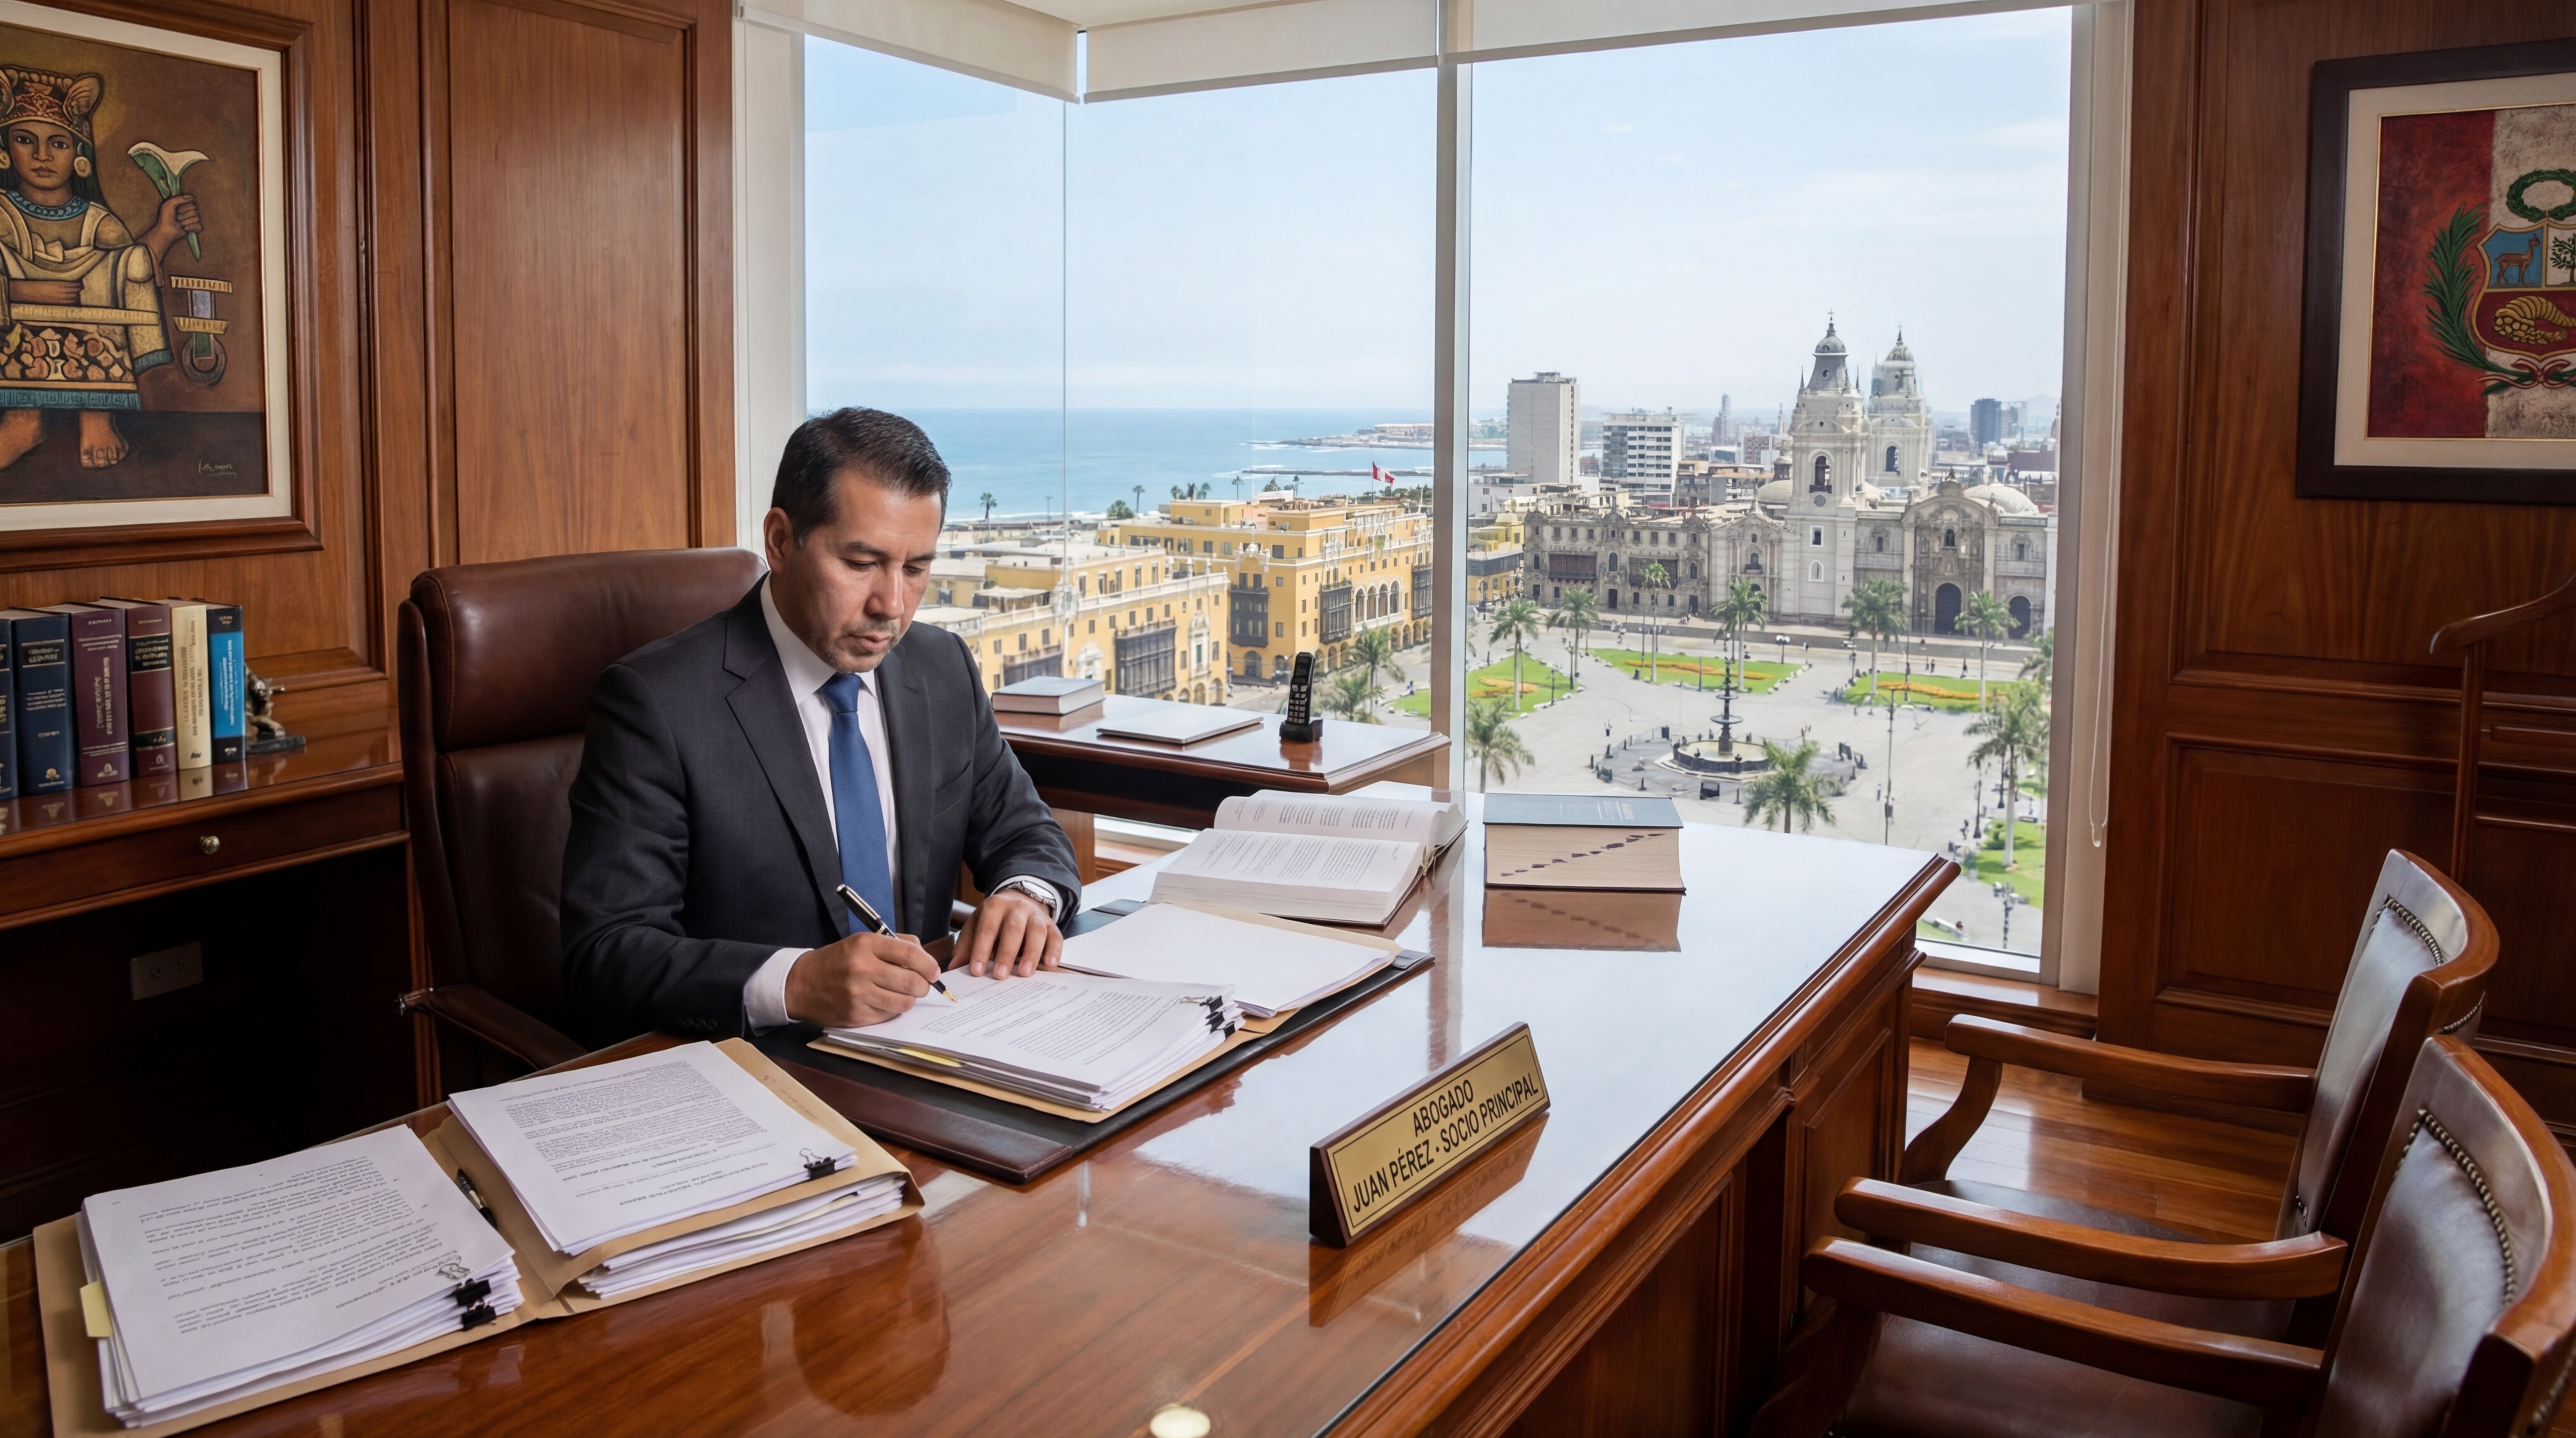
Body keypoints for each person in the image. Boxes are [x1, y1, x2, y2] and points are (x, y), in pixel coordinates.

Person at [561, 409, 1081, 1044]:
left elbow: (1026, 832)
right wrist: (795, 983)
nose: (891, 606)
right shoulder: (656, 703)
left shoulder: (941, 666)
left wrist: (1027, 898)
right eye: (861, 563)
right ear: (781, 541)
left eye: (915, 569)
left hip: (936, 1038)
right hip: (759, 1062)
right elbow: (605, 953)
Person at [0, 67, 199, 470]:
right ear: (4, 150)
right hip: (18, 324)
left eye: (58, 143)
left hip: (89, 336)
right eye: (25, 140)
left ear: (79, 156)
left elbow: (131, 272)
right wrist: (22, 291)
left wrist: (163, 233)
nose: (42, 156)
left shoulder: (98, 221)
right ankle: (23, 419)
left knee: (112, 268)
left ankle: (96, 415)